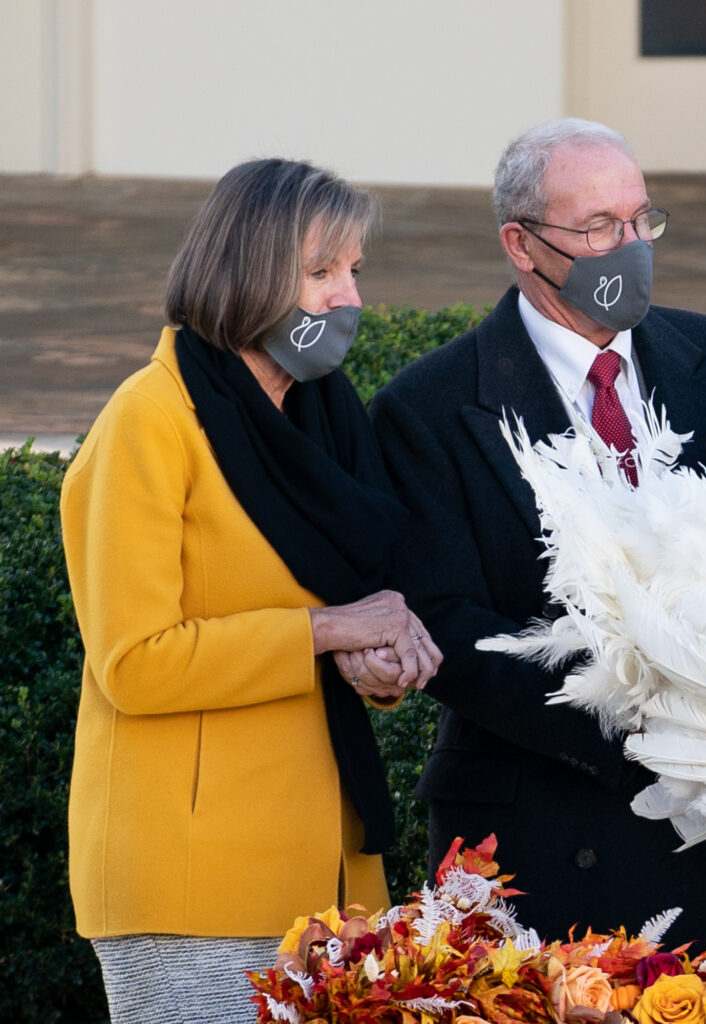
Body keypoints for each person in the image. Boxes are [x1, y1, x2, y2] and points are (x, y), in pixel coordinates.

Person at [371, 118, 706, 942]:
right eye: (599, 228)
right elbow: (445, 626)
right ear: (522, 245)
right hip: (545, 821)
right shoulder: (429, 406)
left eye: (641, 221)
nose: (629, 246)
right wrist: (644, 717)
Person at [61, 158, 443, 1023]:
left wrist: (375, 666)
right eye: (320, 272)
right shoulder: (148, 419)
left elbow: (336, 625)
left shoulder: (323, 417)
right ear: (246, 273)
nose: (348, 297)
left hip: (336, 876)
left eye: (354, 270)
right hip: (192, 879)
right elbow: (135, 663)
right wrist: (330, 628)